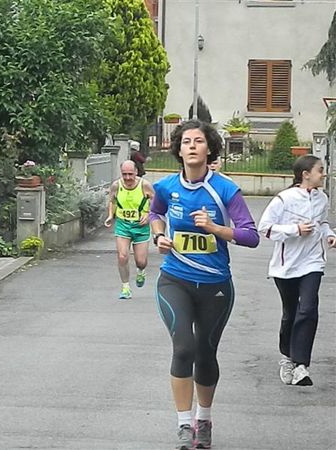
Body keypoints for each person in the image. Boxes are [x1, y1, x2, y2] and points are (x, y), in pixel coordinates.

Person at [149, 119, 259, 450]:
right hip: (174, 280)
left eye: (198, 141)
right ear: (178, 150)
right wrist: (158, 235)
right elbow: (156, 213)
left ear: (209, 148)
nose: (192, 146)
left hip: (215, 286)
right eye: (186, 141)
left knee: (206, 352)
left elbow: (251, 236)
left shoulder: (225, 189)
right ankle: (185, 425)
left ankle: (204, 417)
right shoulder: (167, 186)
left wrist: (216, 228)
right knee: (184, 347)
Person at [258, 155, 336, 387]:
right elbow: (265, 228)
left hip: (312, 263)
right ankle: (287, 358)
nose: (323, 174)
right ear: (306, 174)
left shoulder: (322, 198)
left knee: (309, 309)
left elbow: (322, 224)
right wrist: (295, 229)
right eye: (320, 170)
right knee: (290, 313)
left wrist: (330, 235)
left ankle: (302, 365)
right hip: (286, 266)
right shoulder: (284, 199)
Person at [104, 160, 155, 299]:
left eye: (130, 174)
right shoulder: (116, 185)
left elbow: (156, 202)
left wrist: (148, 214)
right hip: (123, 225)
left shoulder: (144, 185)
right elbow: (112, 200)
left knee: (141, 261)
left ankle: (141, 270)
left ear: (136, 172)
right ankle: (125, 287)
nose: (127, 178)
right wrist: (110, 215)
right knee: (122, 256)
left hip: (141, 227)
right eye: (124, 174)